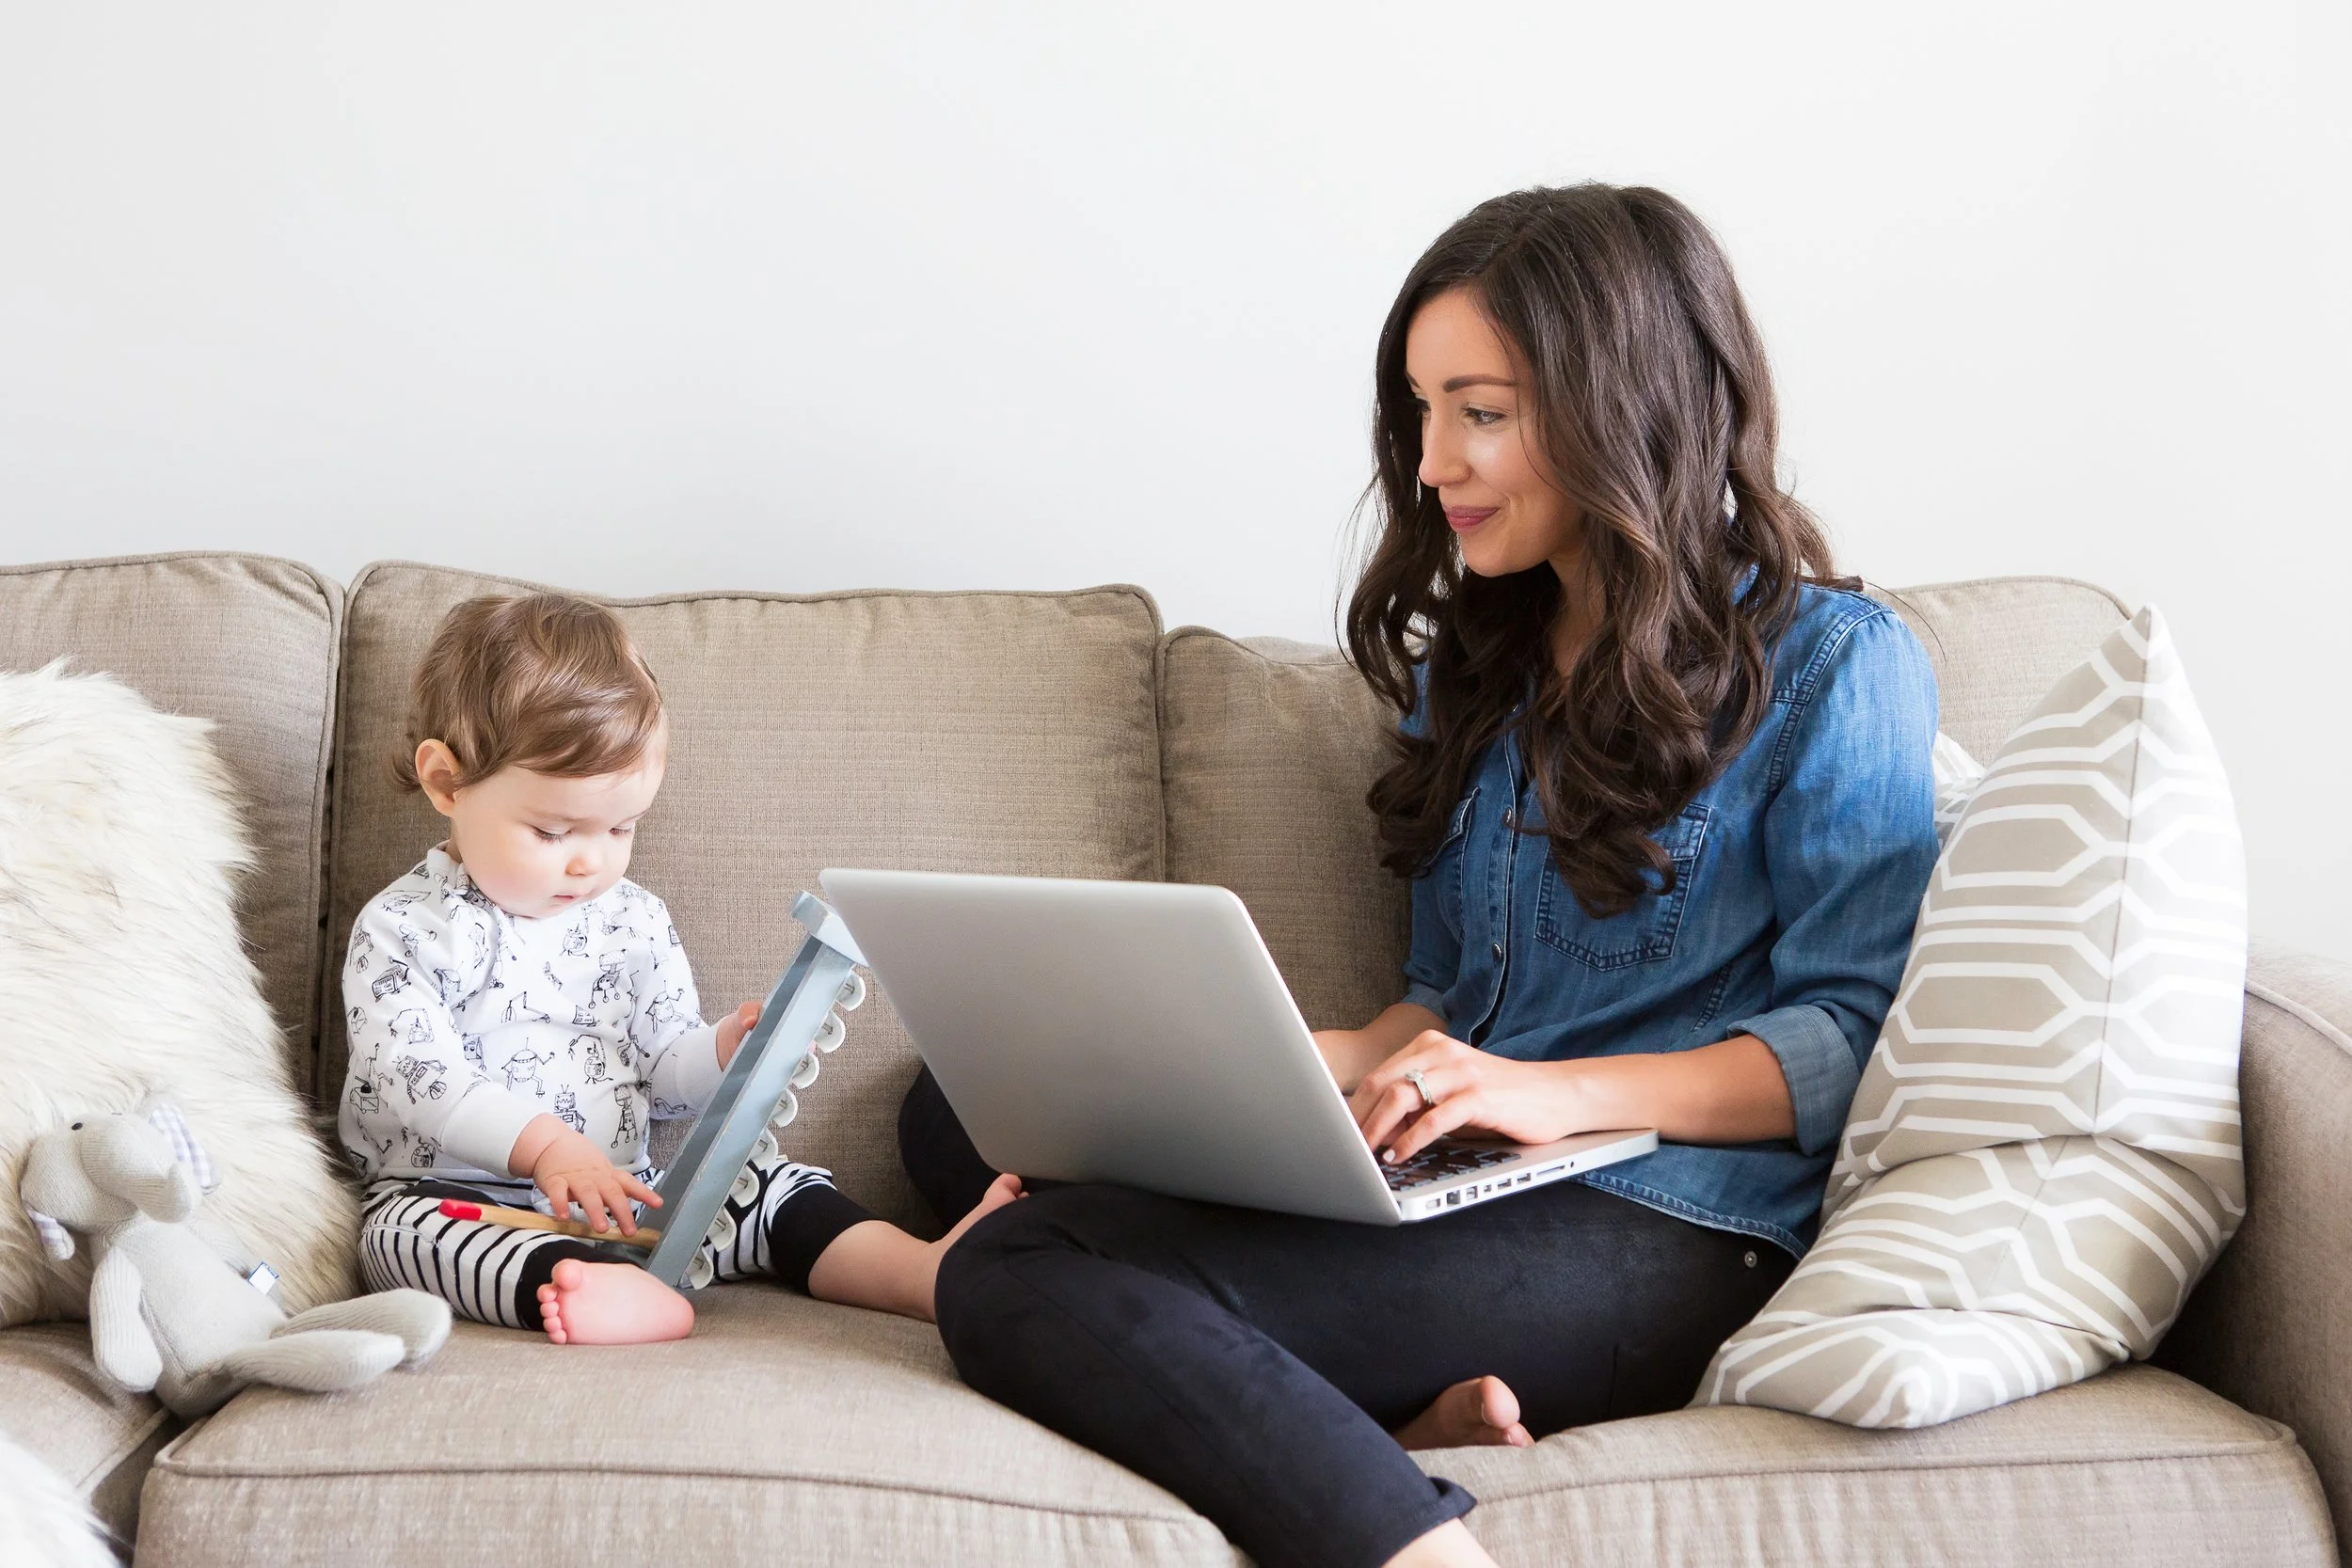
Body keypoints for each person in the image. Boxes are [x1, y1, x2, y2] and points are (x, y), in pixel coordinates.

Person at [906, 183, 1941, 1568]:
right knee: (960, 1108)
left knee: (1015, 1263)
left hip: (1677, 1221)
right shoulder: (1482, 664)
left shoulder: (1835, 662)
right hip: (1472, 1162)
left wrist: (1539, 1094)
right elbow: (1450, 995)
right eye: (1422, 408)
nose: (1436, 457)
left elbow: (1843, 1041)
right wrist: (1298, 1059)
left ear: (1621, 402)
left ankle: (1413, 1542)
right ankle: (1397, 1409)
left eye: (1483, 409)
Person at [342, 592, 1018, 1344]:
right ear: (447, 783)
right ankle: (591, 1286)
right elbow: (424, 1080)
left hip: (631, 1197)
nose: (589, 859)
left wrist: (725, 1050)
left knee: (765, 1186)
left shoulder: (633, 918)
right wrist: (546, 1148)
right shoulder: (404, 930)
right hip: (460, 1194)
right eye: (552, 829)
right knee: (401, 1239)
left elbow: (664, 1075)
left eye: (621, 827)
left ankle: (919, 1273)